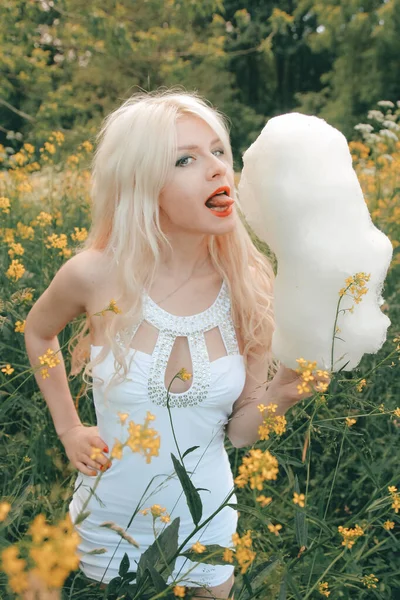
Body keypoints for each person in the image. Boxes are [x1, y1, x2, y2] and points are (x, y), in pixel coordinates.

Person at [24, 90, 329, 600]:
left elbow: (240, 435)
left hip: (203, 533)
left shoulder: (250, 287)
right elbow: (37, 331)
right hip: (106, 527)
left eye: (218, 152)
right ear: (142, 186)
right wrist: (69, 427)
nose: (216, 169)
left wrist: (283, 393)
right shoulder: (94, 276)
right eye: (186, 159)